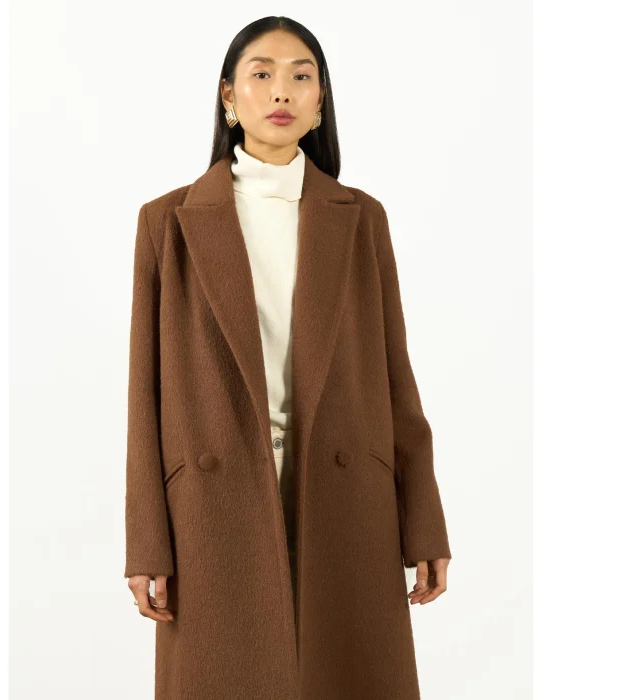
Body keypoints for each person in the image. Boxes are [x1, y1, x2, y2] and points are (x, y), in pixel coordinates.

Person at [125, 16, 451, 700]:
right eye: (262, 74)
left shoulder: (360, 217)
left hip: (344, 494)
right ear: (228, 96)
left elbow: (395, 375)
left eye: (302, 76)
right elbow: (144, 394)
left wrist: (423, 518)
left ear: (320, 101)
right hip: (213, 506)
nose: (282, 91)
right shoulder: (168, 222)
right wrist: (147, 540)